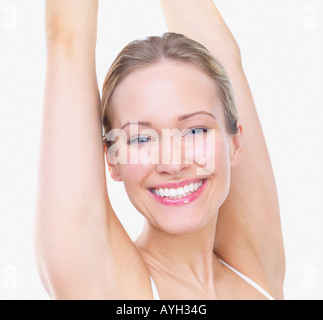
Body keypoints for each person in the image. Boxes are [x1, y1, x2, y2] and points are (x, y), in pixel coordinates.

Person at [35, 0, 285, 300]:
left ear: (236, 142)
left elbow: (224, 56)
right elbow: (68, 40)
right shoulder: (107, 288)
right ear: (112, 160)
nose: (172, 163)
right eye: (141, 139)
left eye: (195, 131)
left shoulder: (255, 271)